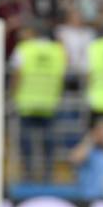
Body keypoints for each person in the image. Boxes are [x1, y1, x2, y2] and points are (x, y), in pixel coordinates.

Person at [10, 25, 67, 181]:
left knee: (26, 142)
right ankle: (48, 174)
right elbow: (62, 76)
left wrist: (12, 95)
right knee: (48, 142)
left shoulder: (23, 48)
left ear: (33, 32)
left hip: (27, 104)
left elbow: (17, 75)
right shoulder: (57, 50)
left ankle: (28, 173)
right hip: (49, 104)